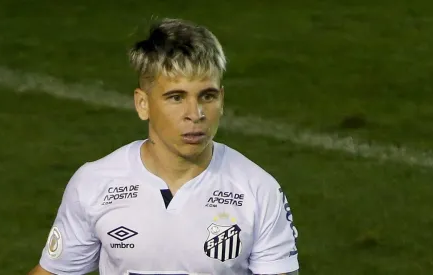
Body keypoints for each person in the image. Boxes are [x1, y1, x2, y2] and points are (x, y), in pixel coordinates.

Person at [29, 18, 299, 275]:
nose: (195, 114)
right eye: (176, 97)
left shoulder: (258, 190)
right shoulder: (95, 184)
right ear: (142, 104)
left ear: (222, 99)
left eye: (208, 96)